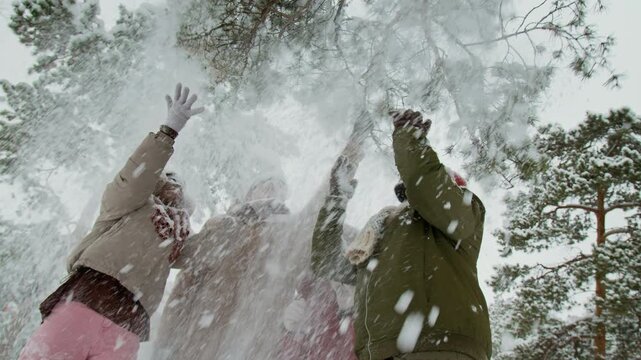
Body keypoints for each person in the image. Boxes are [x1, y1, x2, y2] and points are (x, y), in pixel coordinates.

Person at [19, 83, 205, 360]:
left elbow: (207, 250)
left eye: (181, 187)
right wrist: (168, 132)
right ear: (159, 182)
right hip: (85, 302)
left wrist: (243, 219)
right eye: (170, 180)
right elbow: (136, 178)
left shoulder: (176, 238)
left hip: (126, 328)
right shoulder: (131, 202)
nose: (176, 188)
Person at [312, 110, 492, 360]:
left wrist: (410, 139)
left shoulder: (464, 213)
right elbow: (325, 260)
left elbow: (426, 184)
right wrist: (337, 196)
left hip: (438, 347)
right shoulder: (381, 231)